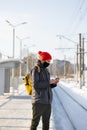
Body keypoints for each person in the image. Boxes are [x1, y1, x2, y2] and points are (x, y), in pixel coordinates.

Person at [30, 51, 59, 130]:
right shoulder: (36, 69)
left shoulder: (46, 70)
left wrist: (53, 83)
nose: (49, 63)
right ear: (43, 60)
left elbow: (46, 86)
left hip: (47, 101)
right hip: (38, 101)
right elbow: (36, 85)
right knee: (35, 122)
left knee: (46, 123)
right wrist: (49, 82)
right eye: (48, 61)